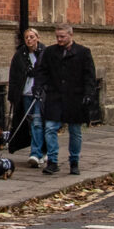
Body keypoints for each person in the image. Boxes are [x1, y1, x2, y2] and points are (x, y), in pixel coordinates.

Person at [36, 22, 95, 175]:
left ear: (71, 35)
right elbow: (42, 71)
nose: (59, 40)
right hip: (55, 95)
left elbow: (89, 76)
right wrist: (38, 86)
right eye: (57, 37)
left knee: (75, 130)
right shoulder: (50, 52)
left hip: (75, 97)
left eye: (62, 36)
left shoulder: (83, 52)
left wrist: (89, 94)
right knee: (50, 128)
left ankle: (74, 162)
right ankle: (53, 161)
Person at [6, 26, 45, 165]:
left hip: (40, 95)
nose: (29, 40)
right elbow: (14, 75)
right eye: (27, 37)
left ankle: (36, 153)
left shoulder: (44, 53)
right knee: (30, 124)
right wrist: (13, 96)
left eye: (32, 37)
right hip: (25, 93)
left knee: (37, 123)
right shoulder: (20, 55)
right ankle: (40, 150)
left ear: (37, 38)